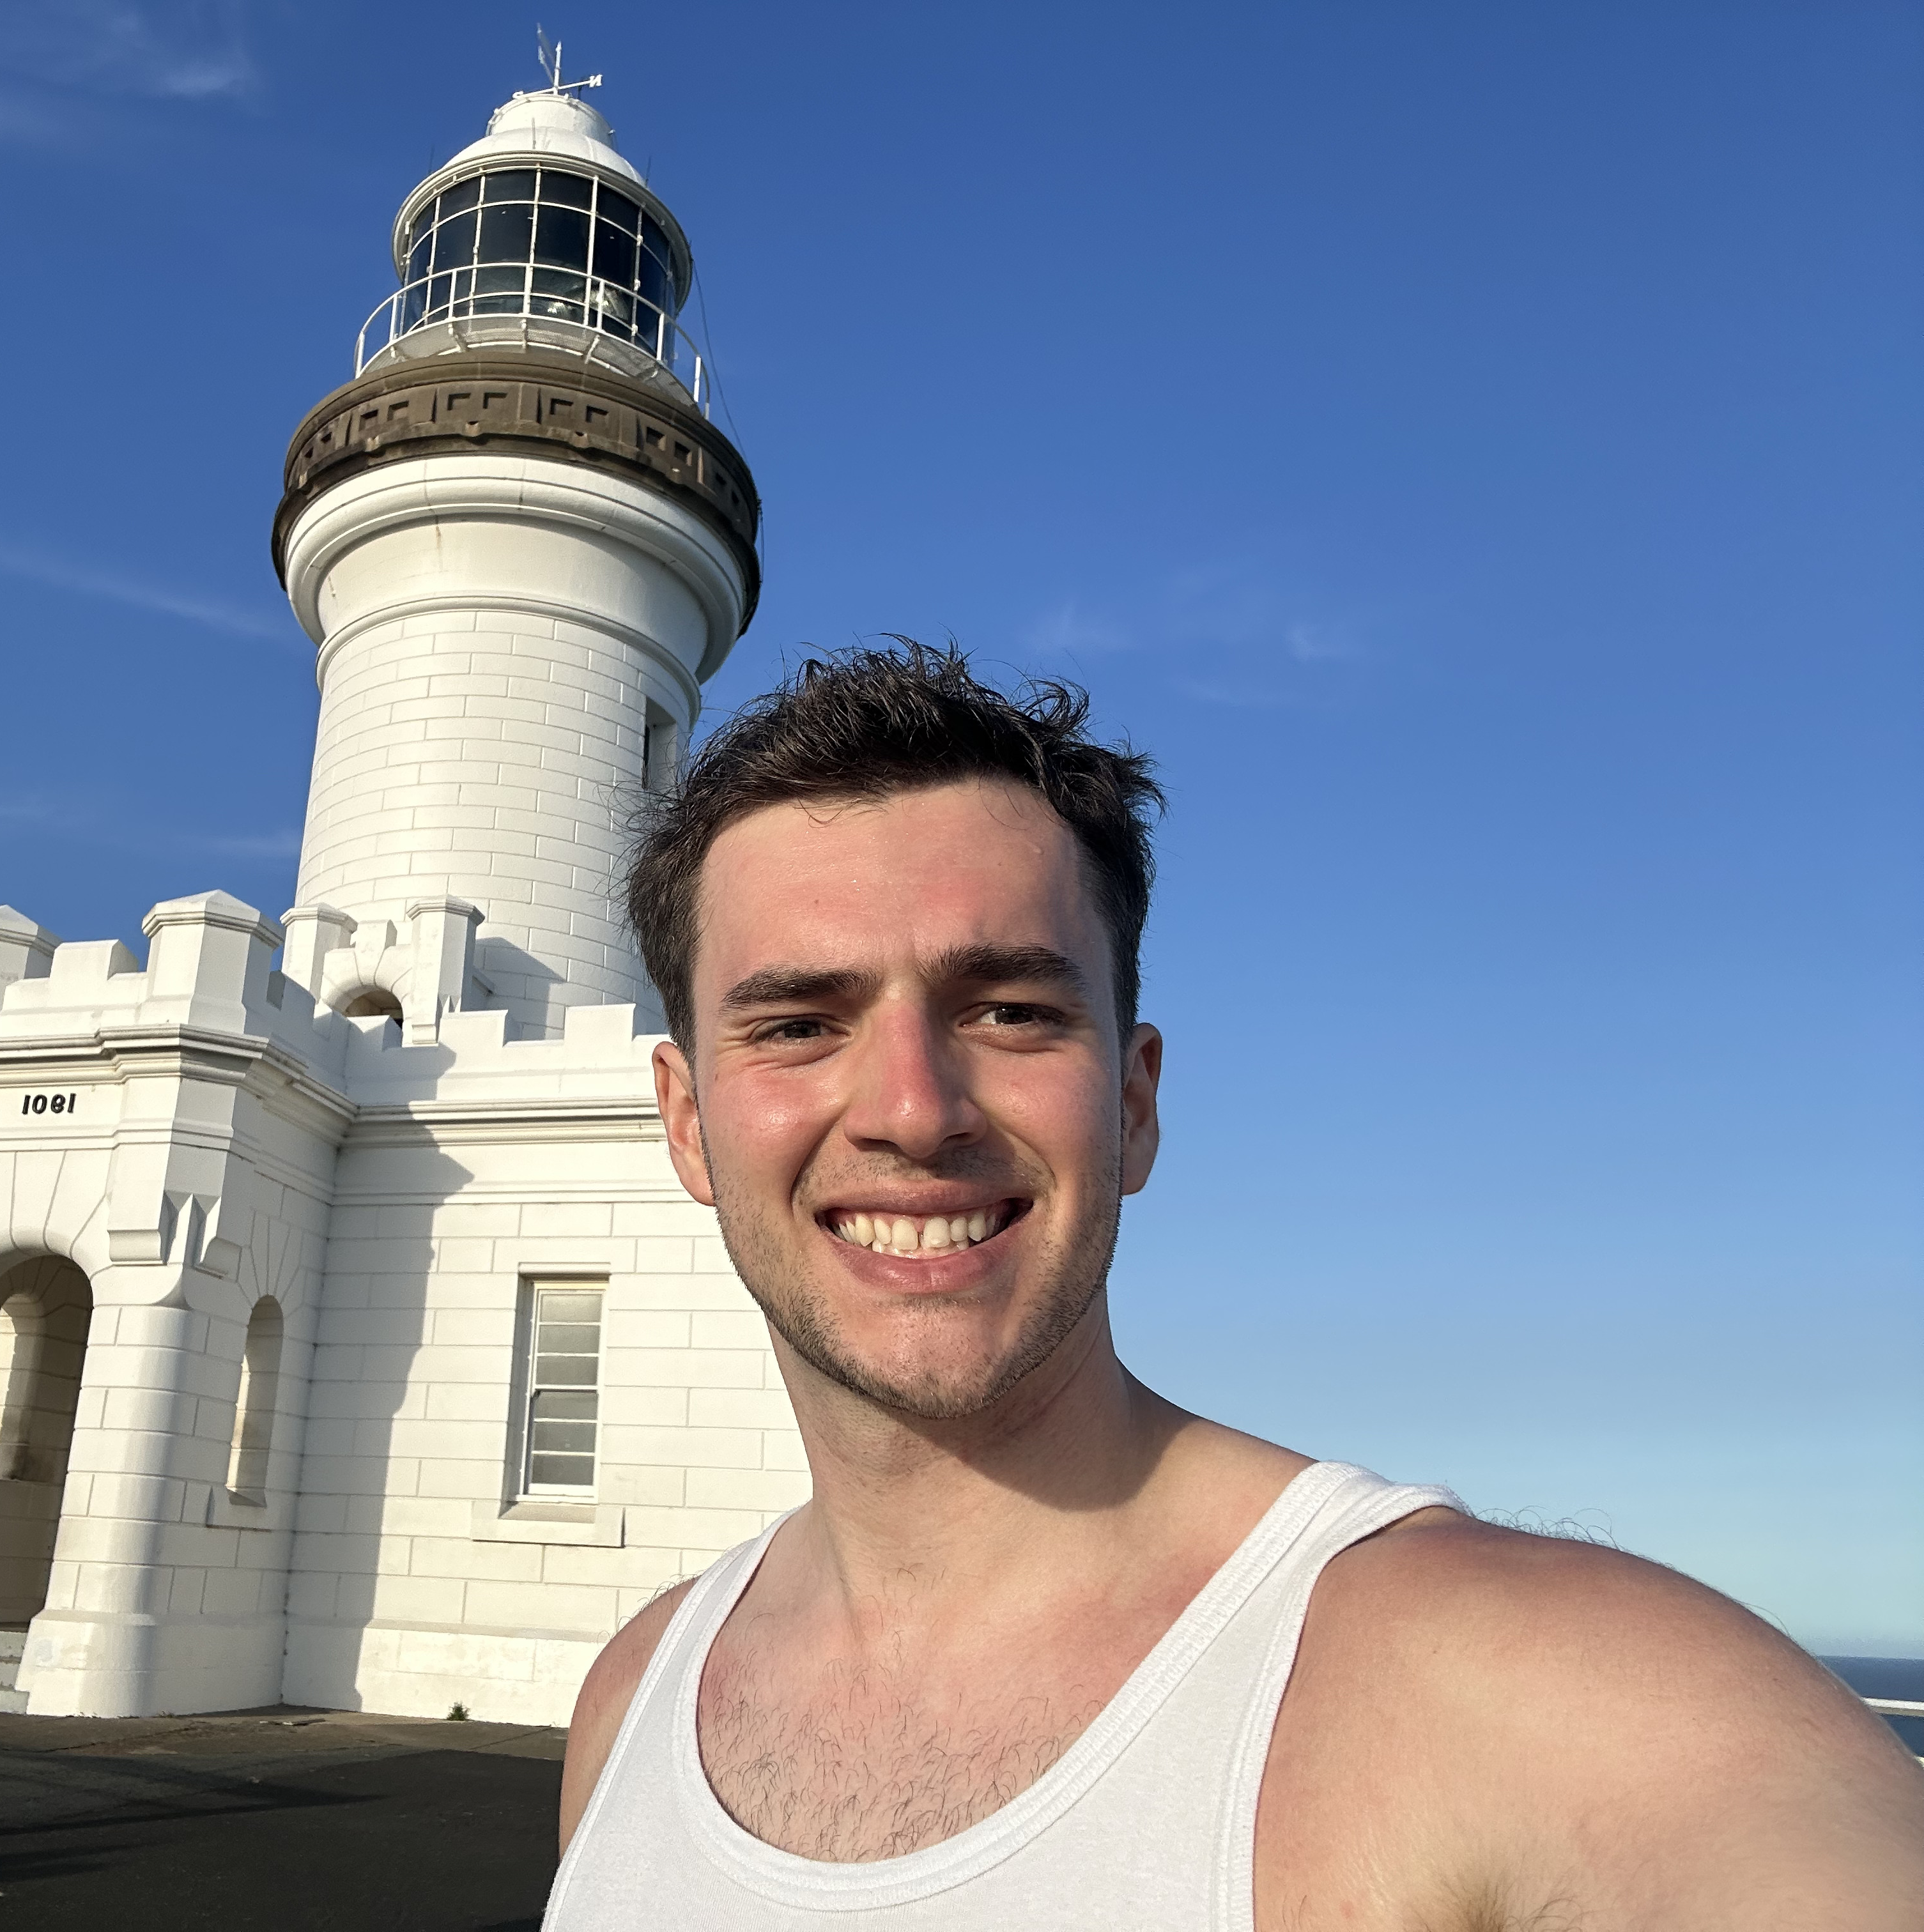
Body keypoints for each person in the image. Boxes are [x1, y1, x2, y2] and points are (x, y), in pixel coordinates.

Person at [547, 645, 1924, 1928]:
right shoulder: (630, 1707)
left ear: (1134, 1103)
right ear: (687, 1124)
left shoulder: (1535, 1690)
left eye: (1011, 1011)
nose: (912, 1108)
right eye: (798, 1023)